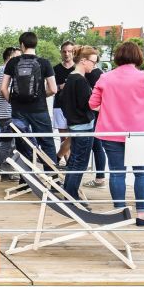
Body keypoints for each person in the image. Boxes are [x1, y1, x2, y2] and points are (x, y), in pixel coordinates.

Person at [88, 40, 144, 225]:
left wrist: (111, 109)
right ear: (138, 57)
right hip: (141, 134)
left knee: (117, 173)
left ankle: (120, 213)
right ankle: (142, 215)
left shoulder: (105, 78)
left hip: (111, 133)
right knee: (142, 174)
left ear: (117, 57)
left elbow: (93, 104)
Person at [2, 31, 56, 168]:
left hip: (18, 111)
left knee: (22, 143)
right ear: (35, 44)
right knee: (47, 142)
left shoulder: (13, 62)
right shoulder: (44, 63)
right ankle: (52, 176)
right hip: (40, 110)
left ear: (22, 45)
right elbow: (54, 89)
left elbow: (3, 88)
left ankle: (26, 177)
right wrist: (42, 95)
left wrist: (12, 102)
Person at [57, 46, 101, 199]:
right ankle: (71, 196)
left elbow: (63, 101)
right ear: (83, 61)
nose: (94, 65)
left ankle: (68, 193)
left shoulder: (70, 78)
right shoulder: (80, 80)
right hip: (83, 125)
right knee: (80, 162)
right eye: (93, 62)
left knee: (74, 160)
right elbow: (88, 105)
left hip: (74, 124)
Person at [52, 40, 77, 165]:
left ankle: (64, 159)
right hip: (59, 106)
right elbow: (50, 88)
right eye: (64, 51)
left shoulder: (78, 68)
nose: (67, 54)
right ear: (61, 53)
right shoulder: (55, 69)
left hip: (75, 107)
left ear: (74, 52)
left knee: (75, 136)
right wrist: (60, 86)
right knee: (64, 137)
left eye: (69, 51)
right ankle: (69, 163)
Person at [0, 45, 19, 161]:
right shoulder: (4, 71)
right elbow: (3, 91)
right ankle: (3, 167)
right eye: (17, 57)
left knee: (9, 143)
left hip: (4, 112)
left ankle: (5, 166)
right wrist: (17, 102)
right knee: (7, 144)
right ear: (10, 57)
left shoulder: (2, 70)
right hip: (6, 113)